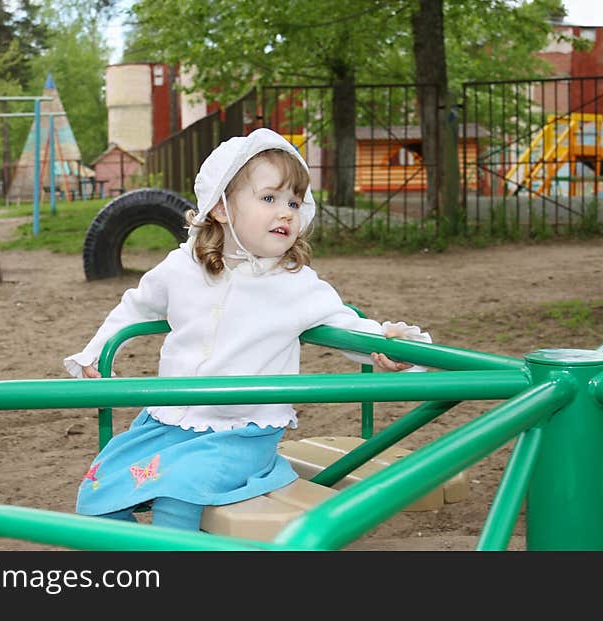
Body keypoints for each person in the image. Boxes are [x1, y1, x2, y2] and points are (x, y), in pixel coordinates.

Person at [64, 128, 432, 532]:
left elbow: (349, 325)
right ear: (220, 207)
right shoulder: (182, 266)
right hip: (167, 420)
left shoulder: (297, 283)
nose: (287, 212)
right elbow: (136, 306)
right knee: (98, 494)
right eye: (270, 198)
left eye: (294, 201)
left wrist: (396, 345)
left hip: (241, 433)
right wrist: (96, 352)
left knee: (178, 496)